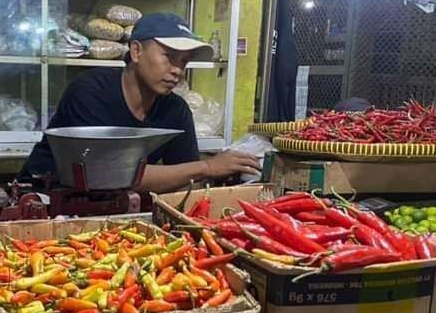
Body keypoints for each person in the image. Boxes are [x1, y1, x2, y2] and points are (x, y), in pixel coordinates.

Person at [18, 13, 260, 193]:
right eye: (169, 57)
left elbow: (186, 178)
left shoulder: (175, 110)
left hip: (113, 204)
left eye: (184, 61)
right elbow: (104, 174)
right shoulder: (91, 91)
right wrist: (207, 167)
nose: (177, 70)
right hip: (44, 198)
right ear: (136, 51)